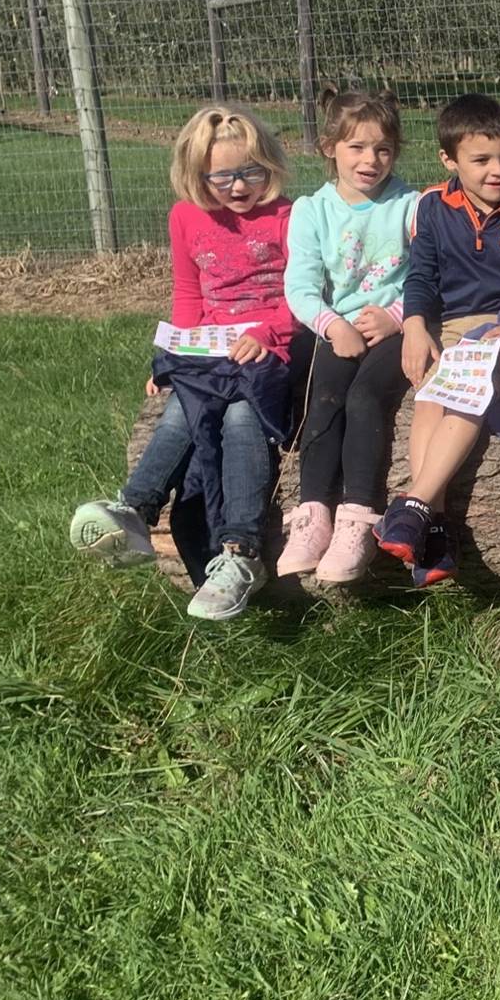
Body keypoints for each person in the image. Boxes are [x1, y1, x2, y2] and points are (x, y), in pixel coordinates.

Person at [69, 105, 295, 621]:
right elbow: (188, 294)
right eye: (223, 176)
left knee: (241, 417)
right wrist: (169, 360)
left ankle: (238, 553)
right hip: (208, 351)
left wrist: (268, 332)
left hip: (269, 351)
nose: (238, 187)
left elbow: (302, 294)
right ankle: (134, 510)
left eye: (250, 172)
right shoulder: (184, 217)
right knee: (182, 410)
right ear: (197, 175)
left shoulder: (287, 216)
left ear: (269, 164)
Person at [373, 93, 500, 585]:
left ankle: (415, 504)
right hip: (448, 327)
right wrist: (416, 325)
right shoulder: (433, 207)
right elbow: (420, 276)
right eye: (481, 159)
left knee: (465, 392)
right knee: (428, 397)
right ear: (449, 159)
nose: (497, 170)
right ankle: (434, 526)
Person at [277, 88, 420, 582]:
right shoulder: (311, 210)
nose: (370, 159)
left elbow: (429, 274)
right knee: (326, 397)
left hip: (397, 328)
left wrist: (396, 317)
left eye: (382, 148)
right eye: (356, 147)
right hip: (337, 330)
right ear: (329, 147)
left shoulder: (412, 205)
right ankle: (313, 515)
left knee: (364, 398)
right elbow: (299, 285)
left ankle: (358, 517)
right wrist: (333, 326)